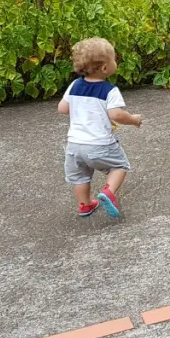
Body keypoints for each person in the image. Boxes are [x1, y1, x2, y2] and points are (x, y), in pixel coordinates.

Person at [58, 38, 143, 219]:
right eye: (114, 59)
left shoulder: (75, 85)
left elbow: (62, 108)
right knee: (119, 166)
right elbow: (116, 115)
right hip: (99, 144)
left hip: (74, 145)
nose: (116, 62)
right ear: (105, 68)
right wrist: (134, 119)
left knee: (81, 177)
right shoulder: (109, 90)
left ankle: (85, 205)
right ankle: (108, 192)